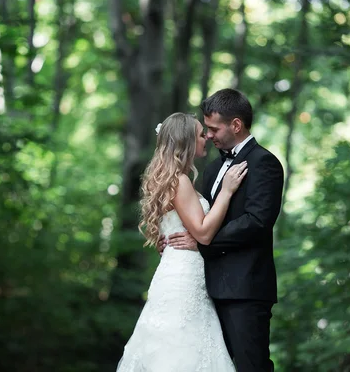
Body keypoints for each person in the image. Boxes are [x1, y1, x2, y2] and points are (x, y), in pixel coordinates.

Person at [162, 88, 284, 372]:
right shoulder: (213, 169)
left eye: (214, 128)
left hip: (245, 289)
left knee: (250, 366)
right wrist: (174, 238)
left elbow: (257, 222)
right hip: (205, 288)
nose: (208, 135)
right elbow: (200, 217)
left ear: (236, 125)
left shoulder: (264, 163)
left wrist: (202, 240)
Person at [116, 112, 248, 372]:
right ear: (187, 140)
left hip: (175, 272)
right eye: (201, 134)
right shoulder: (180, 180)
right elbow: (203, 233)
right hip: (184, 279)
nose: (206, 138)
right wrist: (227, 191)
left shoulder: (170, 179)